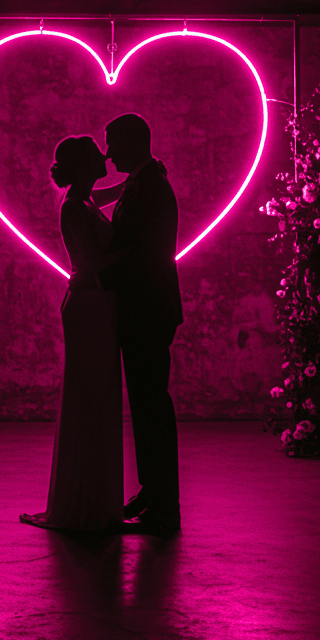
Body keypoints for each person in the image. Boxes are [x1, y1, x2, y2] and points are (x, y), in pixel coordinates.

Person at [19, 136, 125, 531]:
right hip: (90, 305)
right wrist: (138, 250)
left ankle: (86, 495)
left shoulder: (83, 200)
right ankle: (83, 501)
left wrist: (135, 184)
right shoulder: (77, 207)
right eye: (99, 155)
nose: (107, 156)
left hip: (91, 303)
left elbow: (109, 193)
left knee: (93, 393)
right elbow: (96, 261)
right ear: (83, 166)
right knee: (90, 392)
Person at [98, 113, 183, 535]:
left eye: (112, 143)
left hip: (146, 309)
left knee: (151, 407)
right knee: (148, 406)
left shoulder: (149, 187)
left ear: (134, 142)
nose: (108, 152)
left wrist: (97, 275)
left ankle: (164, 506)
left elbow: (141, 251)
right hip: (147, 307)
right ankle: (154, 493)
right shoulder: (144, 181)